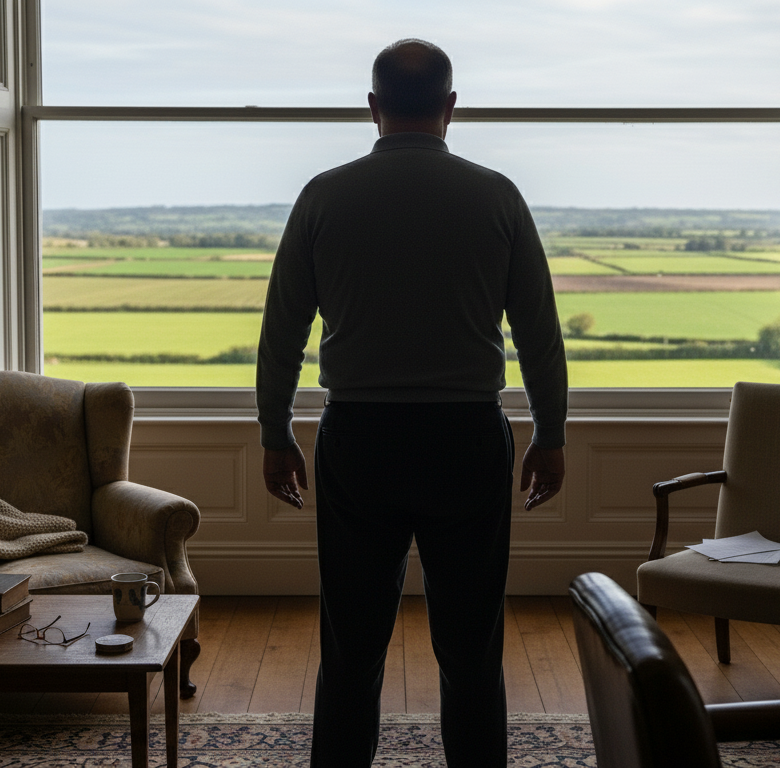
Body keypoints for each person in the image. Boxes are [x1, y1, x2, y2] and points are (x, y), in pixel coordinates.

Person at [255, 38, 568, 767]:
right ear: (451, 107)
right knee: (472, 645)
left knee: (351, 644)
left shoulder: (323, 196)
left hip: (359, 440)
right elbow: (539, 334)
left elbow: (281, 334)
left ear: (373, 107)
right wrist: (550, 434)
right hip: (467, 440)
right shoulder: (497, 196)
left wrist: (276, 432)